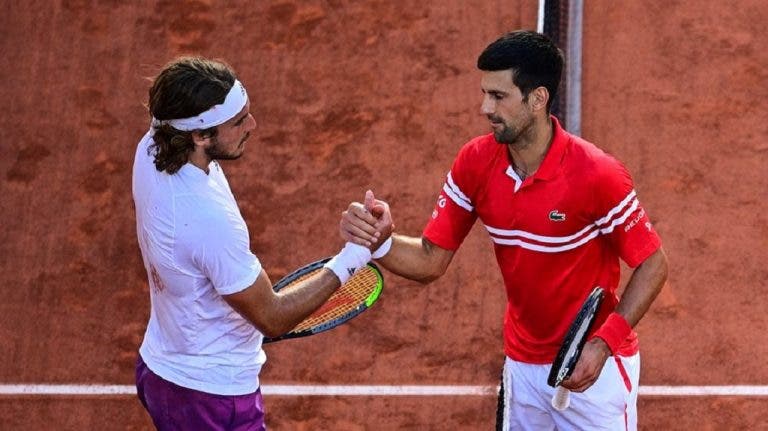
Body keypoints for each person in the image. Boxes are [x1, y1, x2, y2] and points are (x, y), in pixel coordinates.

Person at [340, 31, 668, 430]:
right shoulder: (475, 163)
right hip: (523, 368)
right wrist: (380, 242)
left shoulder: (597, 175)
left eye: (498, 96)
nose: (484, 107)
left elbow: (652, 263)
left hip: (594, 373)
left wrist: (603, 344)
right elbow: (430, 260)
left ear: (538, 99)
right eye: (484, 94)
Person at [132, 56, 371, 430]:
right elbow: (272, 317)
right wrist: (354, 256)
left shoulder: (152, 147)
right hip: (208, 399)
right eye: (238, 122)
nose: (253, 126)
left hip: (165, 366)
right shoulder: (207, 220)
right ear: (199, 135)